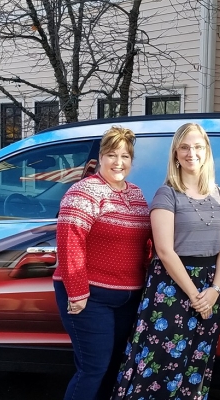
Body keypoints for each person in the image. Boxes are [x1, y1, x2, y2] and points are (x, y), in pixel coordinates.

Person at [114, 122, 220, 400]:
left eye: (198, 147)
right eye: (185, 147)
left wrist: (214, 291)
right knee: (160, 367)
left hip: (210, 289)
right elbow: (165, 251)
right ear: (176, 154)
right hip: (172, 290)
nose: (192, 153)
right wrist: (195, 295)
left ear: (207, 151)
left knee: (196, 364)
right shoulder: (166, 194)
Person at [54, 126, 153, 400]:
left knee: (115, 368)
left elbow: (144, 242)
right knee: (93, 368)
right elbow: (69, 241)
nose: (118, 162)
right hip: (90, 297)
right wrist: (77, 292)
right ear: (100, 157)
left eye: (125, 156)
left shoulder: (136, 193)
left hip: (128, 296)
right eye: (112, 155)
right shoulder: (83, 192)